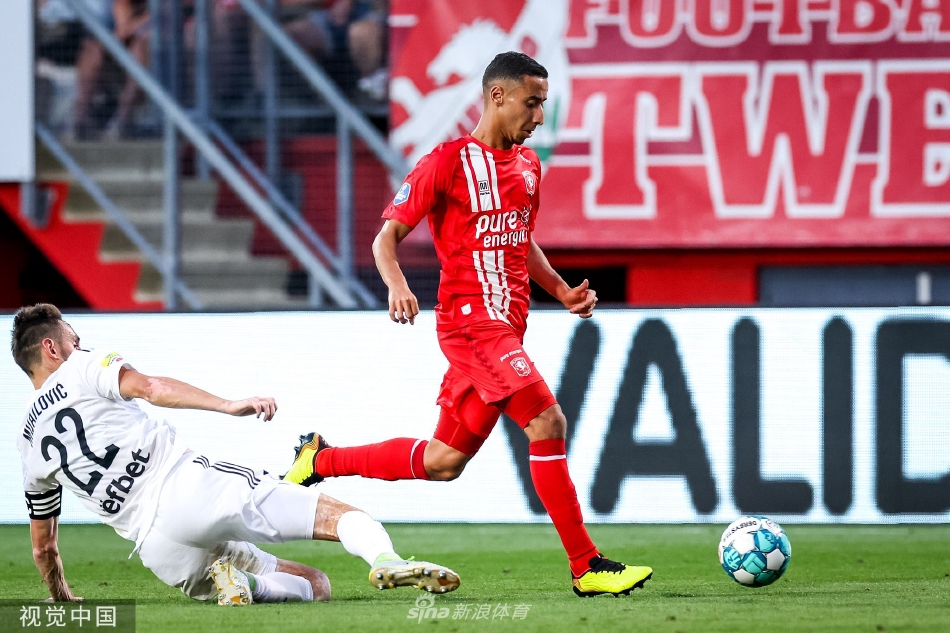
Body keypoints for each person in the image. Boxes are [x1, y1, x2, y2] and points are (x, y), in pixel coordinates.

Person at [282, 51, 654, 597]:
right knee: (547, 421)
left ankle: (320, 458)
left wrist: (560, 290)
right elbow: (385, 239)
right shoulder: (447, 162)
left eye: (543, 104)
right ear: (497, 96)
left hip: (506, 329)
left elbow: (521, 239)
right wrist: (398, 285)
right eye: (531, 103)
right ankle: (587, 566)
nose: (539, 116)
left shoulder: (528, 166)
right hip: (472, 327)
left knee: (444, 461)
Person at [12, 304, 459, 606]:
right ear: (52, 348)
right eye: (73, 339)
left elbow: (43, 546)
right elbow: (151, 388)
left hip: (158, 550)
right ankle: (387, 561)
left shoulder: (27, 444)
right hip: (187, 487)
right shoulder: (81, 366)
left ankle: (248, 585)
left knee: (315, 585)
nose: (79, 346)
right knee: (340, 516)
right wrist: (227, 404)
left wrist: (61, 596)